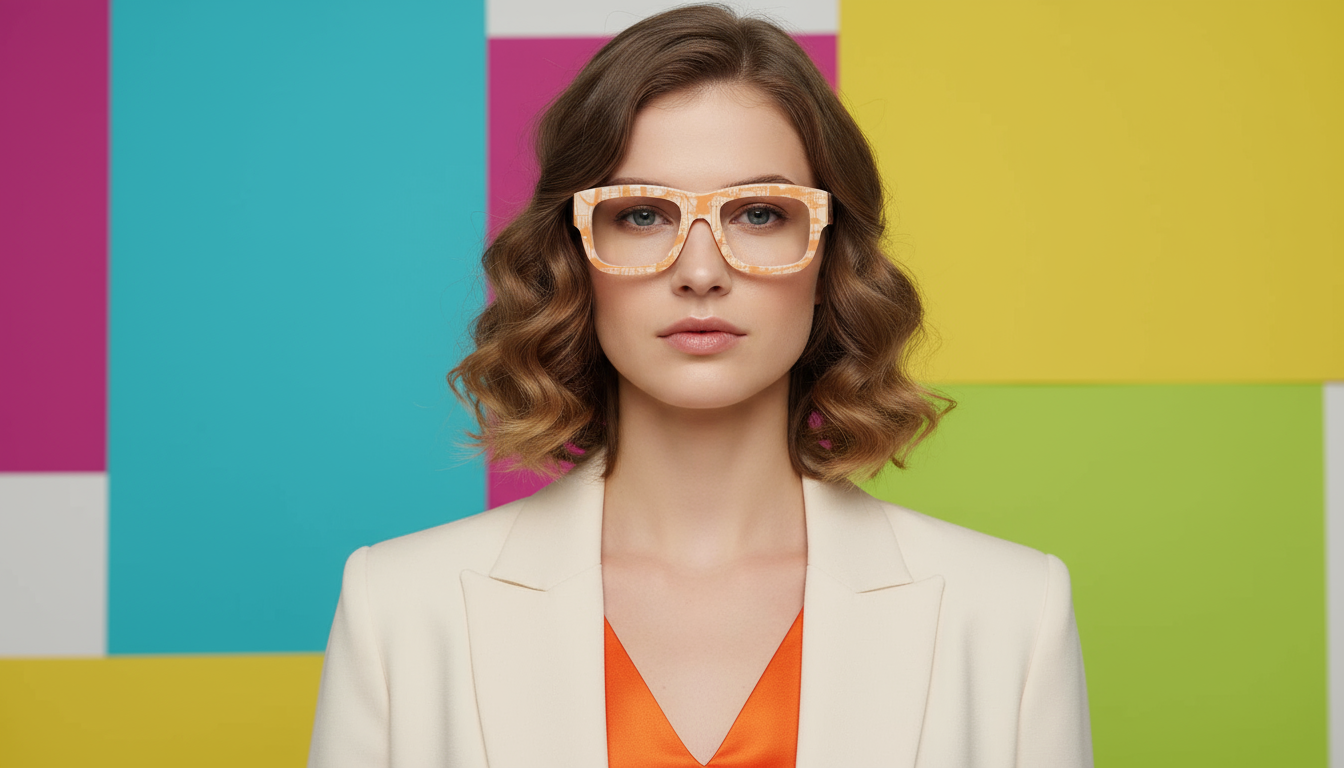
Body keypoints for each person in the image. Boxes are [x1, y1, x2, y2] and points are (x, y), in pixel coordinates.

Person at [307, 5, 1092, 767]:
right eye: (643, 214)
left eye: (758, 213)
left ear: (829, 260)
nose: (702, 271)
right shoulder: (401, 609)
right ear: (575, 258)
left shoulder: (1010, 612)